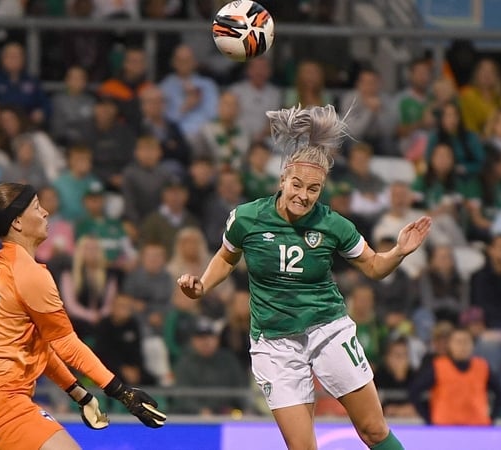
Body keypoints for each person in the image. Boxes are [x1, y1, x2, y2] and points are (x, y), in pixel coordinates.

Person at [177, 105, 431, 450]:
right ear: (283, 178)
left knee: (373, 429)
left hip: (327, 330)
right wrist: (203, 285)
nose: (303, 195)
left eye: (313, 189)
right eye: (296, 185)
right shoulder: (246, 218)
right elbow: (226, 256)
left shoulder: (334, 225)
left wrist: (398, 252)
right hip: (273, 342)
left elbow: (373, 267)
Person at [0, 182, 166, 450]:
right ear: (17, 222)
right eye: (37, 207)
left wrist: (80, 394)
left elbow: (38, 348)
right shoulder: (30, 273)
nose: (46, 213)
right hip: (0, 401)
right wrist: (121, 391)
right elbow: (67, 345)